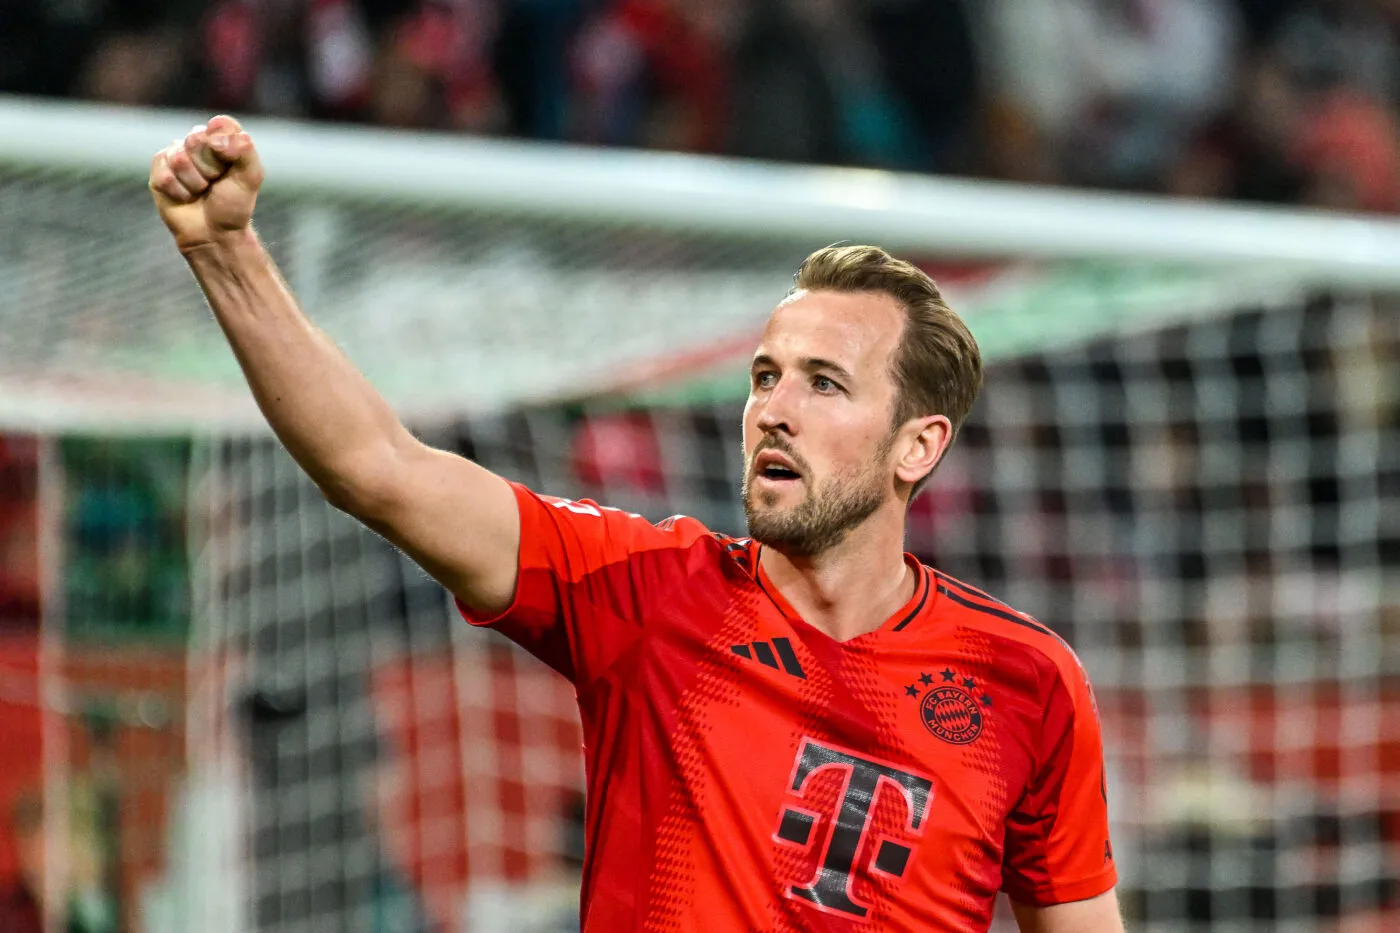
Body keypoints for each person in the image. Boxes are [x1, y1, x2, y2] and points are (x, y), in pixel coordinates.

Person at [147, 116, 1122, 932]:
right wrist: (224, 253)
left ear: (917, 447)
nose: (773, 410)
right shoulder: (649, 592)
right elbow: (380, 469)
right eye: (765, 376)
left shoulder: (1026, 681)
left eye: (823, 384)